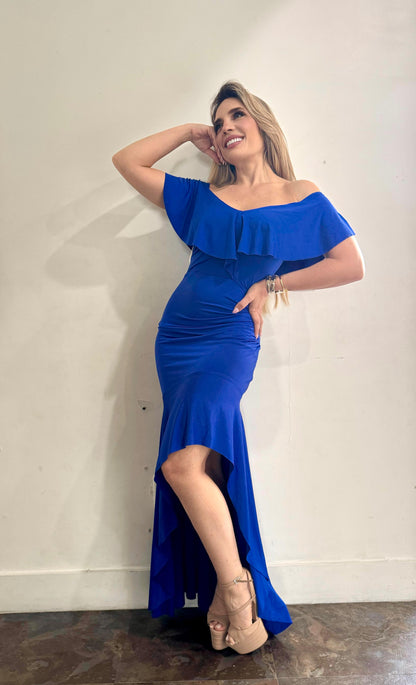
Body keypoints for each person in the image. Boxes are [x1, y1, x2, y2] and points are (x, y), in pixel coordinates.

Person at [112, 80, 365, 655]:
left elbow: (350, 263)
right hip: (177, 338)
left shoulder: (301, 195)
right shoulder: (204, 197)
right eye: (219, 121)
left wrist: (271, 283)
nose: (227, 126)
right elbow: (126, 161)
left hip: (228, 340)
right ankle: (228, 595)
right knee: (198, 466)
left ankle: (236, 590)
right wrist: (188, 132)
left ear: (262, 124)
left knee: (181, 466)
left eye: (237, 115)